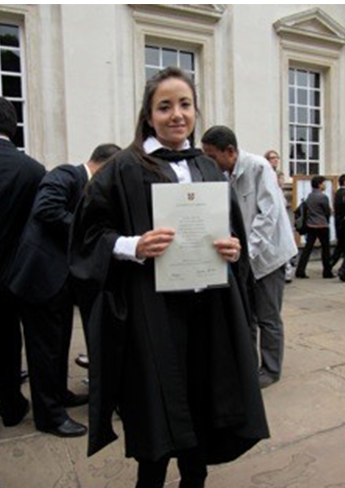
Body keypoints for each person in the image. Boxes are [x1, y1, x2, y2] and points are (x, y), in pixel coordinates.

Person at [69, 67, 269, 488]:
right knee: (156, 421)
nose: (176, 114)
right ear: (148, 114)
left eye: (184, 104)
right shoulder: (123, 169)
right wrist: (133, 245)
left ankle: (194, 480)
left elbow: (230, 235)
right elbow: (88, 236)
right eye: (165, 106)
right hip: (151, 317)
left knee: (201, 410)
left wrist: (233, 249)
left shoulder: (208, 169)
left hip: (206, 314)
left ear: (195, 111)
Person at [8, 143, 120, 437]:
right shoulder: (65, 175)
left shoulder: (88, 187)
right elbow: (46, 209)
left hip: (61, 282)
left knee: (58, 344)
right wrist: (89, 233)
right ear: (104, 167)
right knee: (44, 351)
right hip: (39, 278)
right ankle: (49, 417)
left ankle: (60, 396)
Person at [201, 126, 297, 389]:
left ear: (229, 151)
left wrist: (247, 252)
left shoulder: (259, 167)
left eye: (211, 155)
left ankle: (270, 369)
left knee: (268, 317)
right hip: (244, 258)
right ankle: (247, 365)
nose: (207, 160)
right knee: (246, 316)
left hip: (268, 257)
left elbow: (268, 216)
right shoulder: (223, 175)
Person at [0, 97, 46, 427]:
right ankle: (11, 406)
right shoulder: (31, 169)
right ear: (12, 126)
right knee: (8, 339)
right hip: (13, 270)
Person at [295, 176, 334, 279]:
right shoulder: (323, 197)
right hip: (322, 225)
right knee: (325, 249)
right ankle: (327, 272)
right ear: (319, 184)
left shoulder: (310, 196)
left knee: (307, 249)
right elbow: (327, 212)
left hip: (311, 225)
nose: (324, 185)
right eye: (323, 183)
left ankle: (300, 270)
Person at [330, 174, 345, 281]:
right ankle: (343, 271)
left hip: (339, 224)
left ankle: (329, 265)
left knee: (339, 248)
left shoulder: (338, 193)